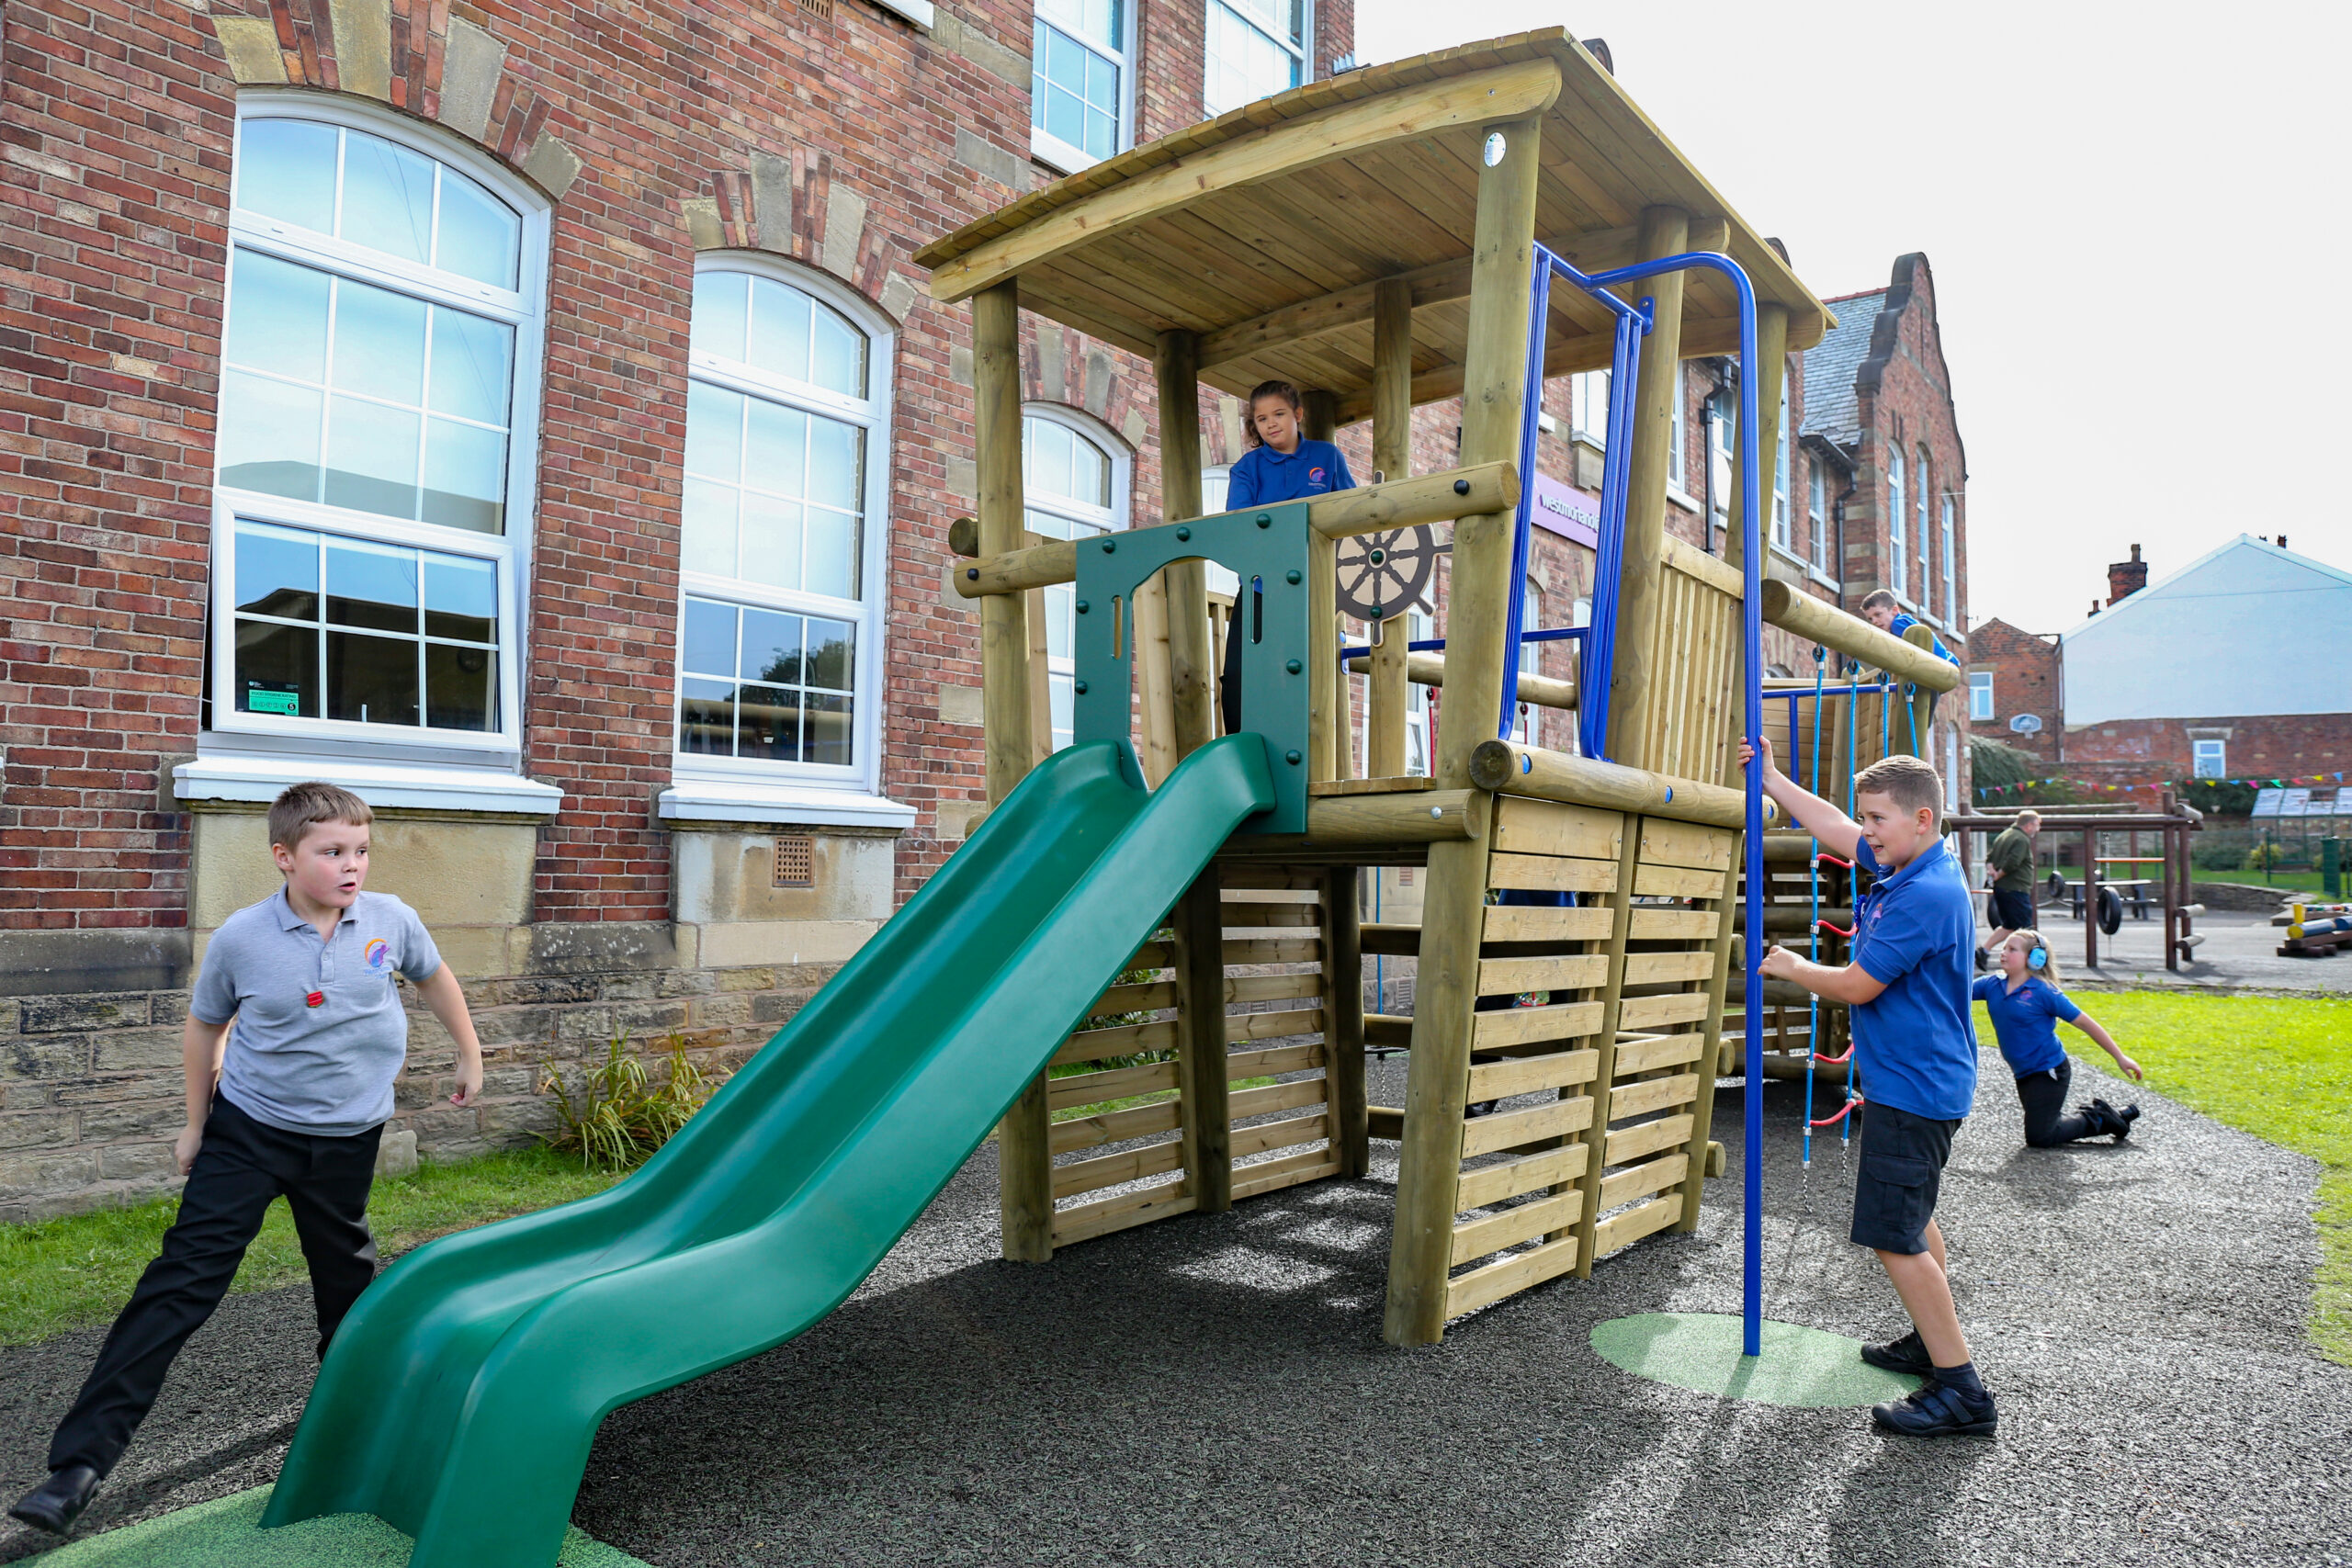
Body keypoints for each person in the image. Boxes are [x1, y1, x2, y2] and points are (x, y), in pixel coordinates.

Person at [7, 783, 485, 1537]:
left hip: (346, 1142)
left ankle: (355, 1429)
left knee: (348, 1295)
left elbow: (433, 976)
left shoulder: (391, 920)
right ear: (285, 856)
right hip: (249, 1133)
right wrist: (197, 1125)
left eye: (360, 850)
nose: (351, 865)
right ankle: (79, 1466)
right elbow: (205, 1028)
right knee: (179, 1286)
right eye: (332, 852)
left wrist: (469, 1049)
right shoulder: (242, 936)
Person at [1743, 739, 1996, 1438]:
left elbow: (1858, 985)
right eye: (1868, 817)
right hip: (1922, 1080)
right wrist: (1772, 780)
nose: (1868, 829)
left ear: (1921, 818)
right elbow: (1831, 824)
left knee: (1893, 1235)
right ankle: (1927, 1337)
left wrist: (1791, 963)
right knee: (1912, 1218)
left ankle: (1961, 1389)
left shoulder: (1927, 893)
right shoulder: (1911, 862)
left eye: (1879, 818)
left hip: (1916, 1087)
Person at [1218, 379, 1356, 734]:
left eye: (1278, 414)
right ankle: (1241, 752)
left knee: (1301, 674)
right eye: (1261, 419)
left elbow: (1351, 511)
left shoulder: (1327, 457)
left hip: (1312, 590)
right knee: (1237, 677)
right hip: (1259, 589)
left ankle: (1303, 755)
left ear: (1297, 414)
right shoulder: (1247, 468)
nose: (1271, 424)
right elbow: (1240, 524)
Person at [1974, 930, 2143, 1146]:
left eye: (2012, 949)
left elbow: (2086, 1023)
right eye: (2004, 948)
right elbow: (1956, 991)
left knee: (2041, 1137)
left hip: (2048, 1071)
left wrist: (2120, 1057)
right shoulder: (1992, 985)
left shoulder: (2044, 992)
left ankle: (2100, 1117)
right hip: (2023, 1072)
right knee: (2043, 1128)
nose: (2003, 953)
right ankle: (2114, 1116)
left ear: (2034, 959)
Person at [1979, 810, 2041, 966]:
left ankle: (1983, 951)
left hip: (2002, 889)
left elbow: (1990, 858)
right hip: (2015, 889)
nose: (2038, 829)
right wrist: (1998, 874)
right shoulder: (2021, 839)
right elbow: (2014, 861)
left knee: (2009, 926)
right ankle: (2032, 963)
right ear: (2029, 825)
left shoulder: (2004, 835)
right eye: (2037, 825)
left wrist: (1991, 871)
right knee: (2026, 929)